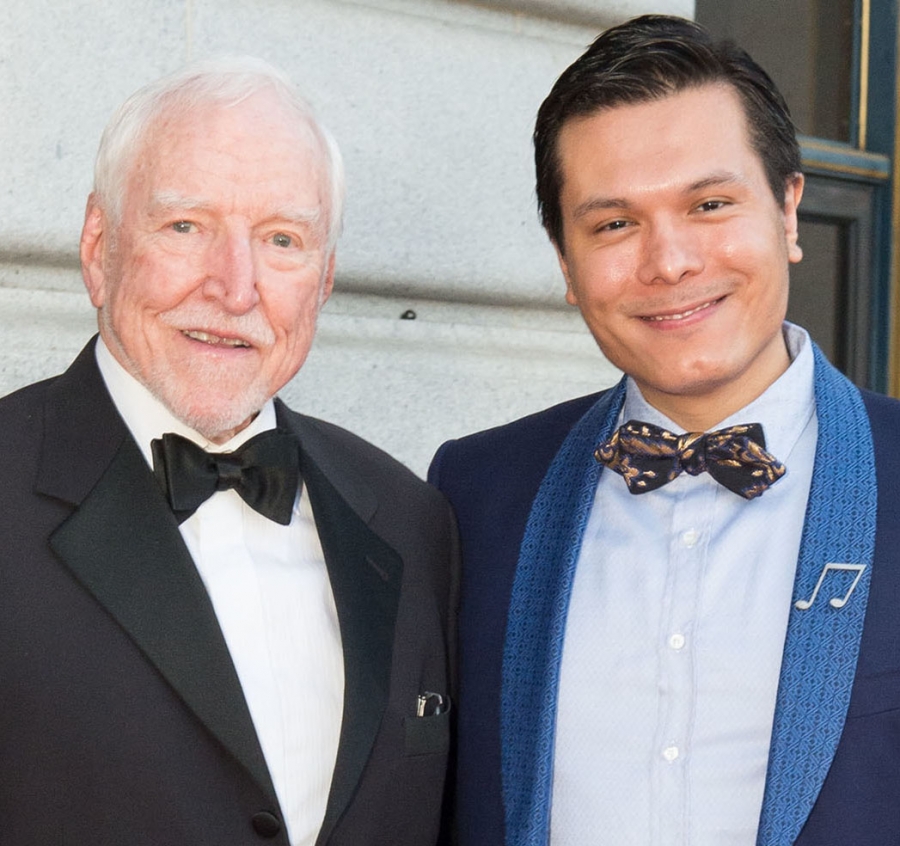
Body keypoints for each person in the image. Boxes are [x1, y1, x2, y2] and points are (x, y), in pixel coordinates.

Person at [429, 14, 900, 846]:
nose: (670, 262)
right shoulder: (472, 497)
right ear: (565, 262)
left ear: (789, 211)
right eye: (613, 224)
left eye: (710, 204)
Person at [0, 57, 457, 846]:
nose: (234, 287)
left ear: (323, 280)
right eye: (186, 227)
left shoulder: (411, 520)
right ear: (97, 246)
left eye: (282, 240)